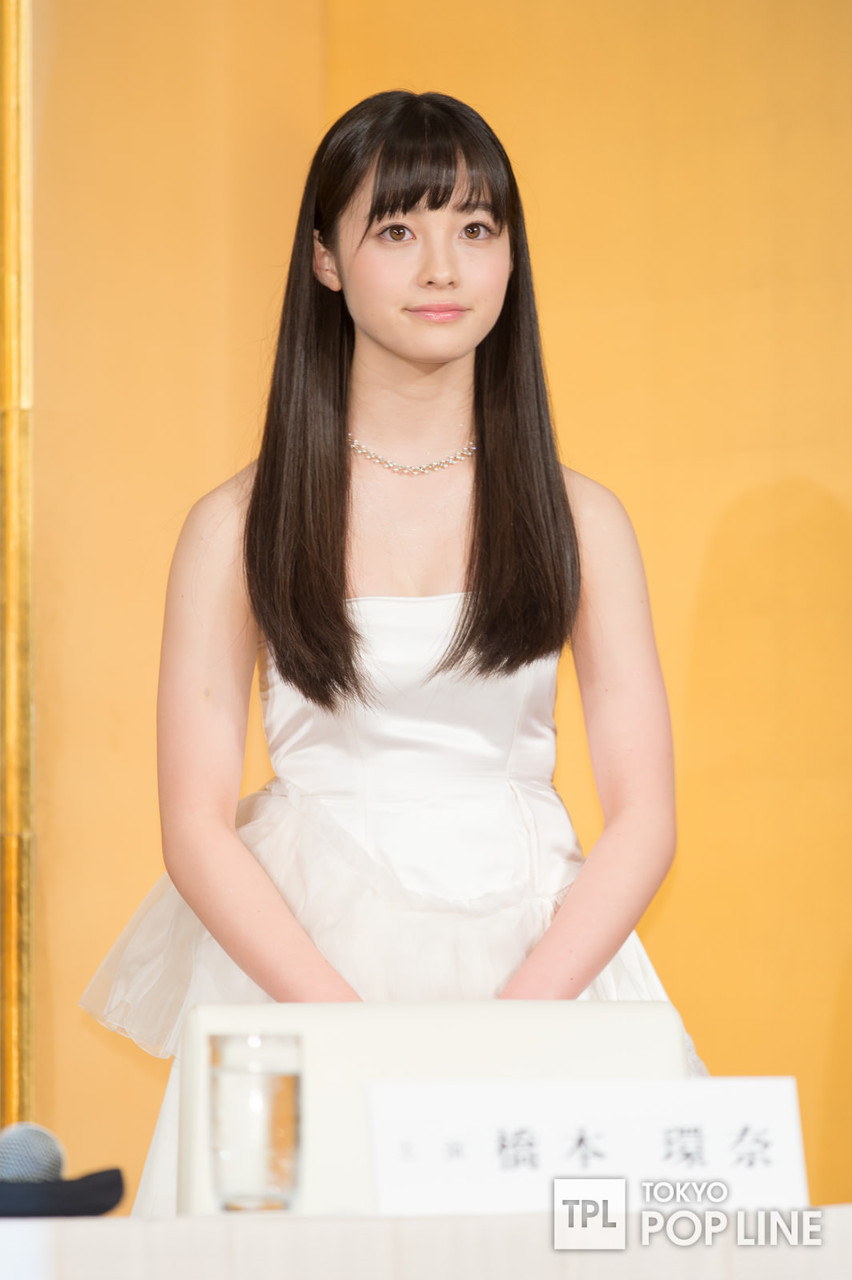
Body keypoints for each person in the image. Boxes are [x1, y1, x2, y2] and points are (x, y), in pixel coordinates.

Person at [81, 89, 708, 1216]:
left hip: (539, 959)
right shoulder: (237, 525)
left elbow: (645, 813)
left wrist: (518, 1027)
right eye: (398, 228)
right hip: (297, 970)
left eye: (477, 228)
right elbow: (194, 824)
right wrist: (352, 1035)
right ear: (325, 258)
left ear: (510, 257)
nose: (443, 267)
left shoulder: (580, 520)